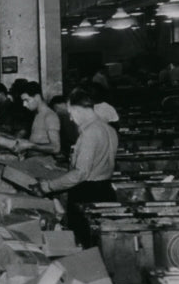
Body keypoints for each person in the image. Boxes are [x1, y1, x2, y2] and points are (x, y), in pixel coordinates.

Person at [38, 87, 119, 244]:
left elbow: (81, 173)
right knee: (103, 245)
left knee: (84, 246)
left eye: (70, 112)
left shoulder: (89, 133)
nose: (70, 118)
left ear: (78, 109)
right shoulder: (109, 129)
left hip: (87, 195)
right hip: (106, 191)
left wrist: (48, 186)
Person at [15, 81, 60, 156]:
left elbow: (56, 148)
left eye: (26, 100)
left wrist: (30, 145)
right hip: (33, 160)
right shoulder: (37, 114)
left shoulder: (50, 116)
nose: (24, 104)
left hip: (43, 162)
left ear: (37, 97)